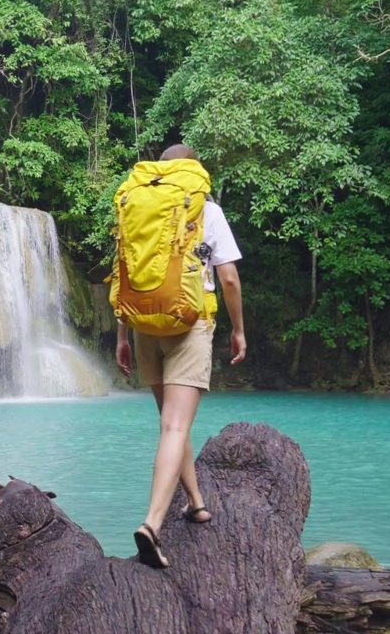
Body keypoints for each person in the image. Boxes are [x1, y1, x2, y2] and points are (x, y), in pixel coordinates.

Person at [116, 143, 246, 569]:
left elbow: (126, 270)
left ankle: (195, 503)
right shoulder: (205, 208)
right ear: (193, 169)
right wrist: (239, 330)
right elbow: (227, 278)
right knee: (175, 425)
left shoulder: (137, 204)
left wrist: (122, 334)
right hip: (189, 322)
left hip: (142, 325)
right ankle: (152, 524)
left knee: (173, 422)